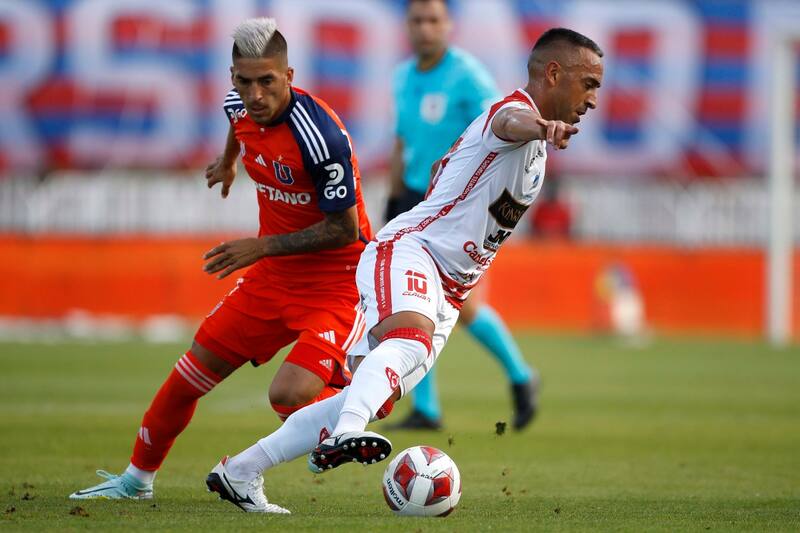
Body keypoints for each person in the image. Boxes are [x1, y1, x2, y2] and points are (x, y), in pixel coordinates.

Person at [206, 27, 603, 513]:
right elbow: (511, 122)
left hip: (451, 292)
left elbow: (452, 169)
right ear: (555, 73)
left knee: (364, 394)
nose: (593, 98)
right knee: (403, 348)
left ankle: (241, 471)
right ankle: (349, 432)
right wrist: (543, 127)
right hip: (411, 251)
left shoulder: (533, 150)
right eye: (589, 84)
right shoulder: (515, 114)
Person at [69, 17, 373, 503]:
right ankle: (135, 483)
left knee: (288, 395)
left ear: (289, 76)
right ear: (233, 79)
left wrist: (261, 246)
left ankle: (355, 409)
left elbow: (344, 228)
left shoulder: (321, 137)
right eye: (244, 81)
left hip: (335, 283)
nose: (255, 94)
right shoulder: (238, 107)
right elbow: (239, 125)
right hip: (272, 280)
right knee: (187, 376)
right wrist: (229, 160)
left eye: (267, 82)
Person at [386, 0, 539, 431]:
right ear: (407, 26)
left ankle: (521, 375)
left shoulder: (468, 76)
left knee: (461, 305)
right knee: (411, 302)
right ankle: (427, 408)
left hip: (457, 204)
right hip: (414, 199)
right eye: (417, 20)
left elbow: (501, 126)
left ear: (448, 26)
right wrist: (393, 197)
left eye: (433, 20)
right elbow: (403, 141)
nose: (424, 28)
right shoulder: (401, 78)